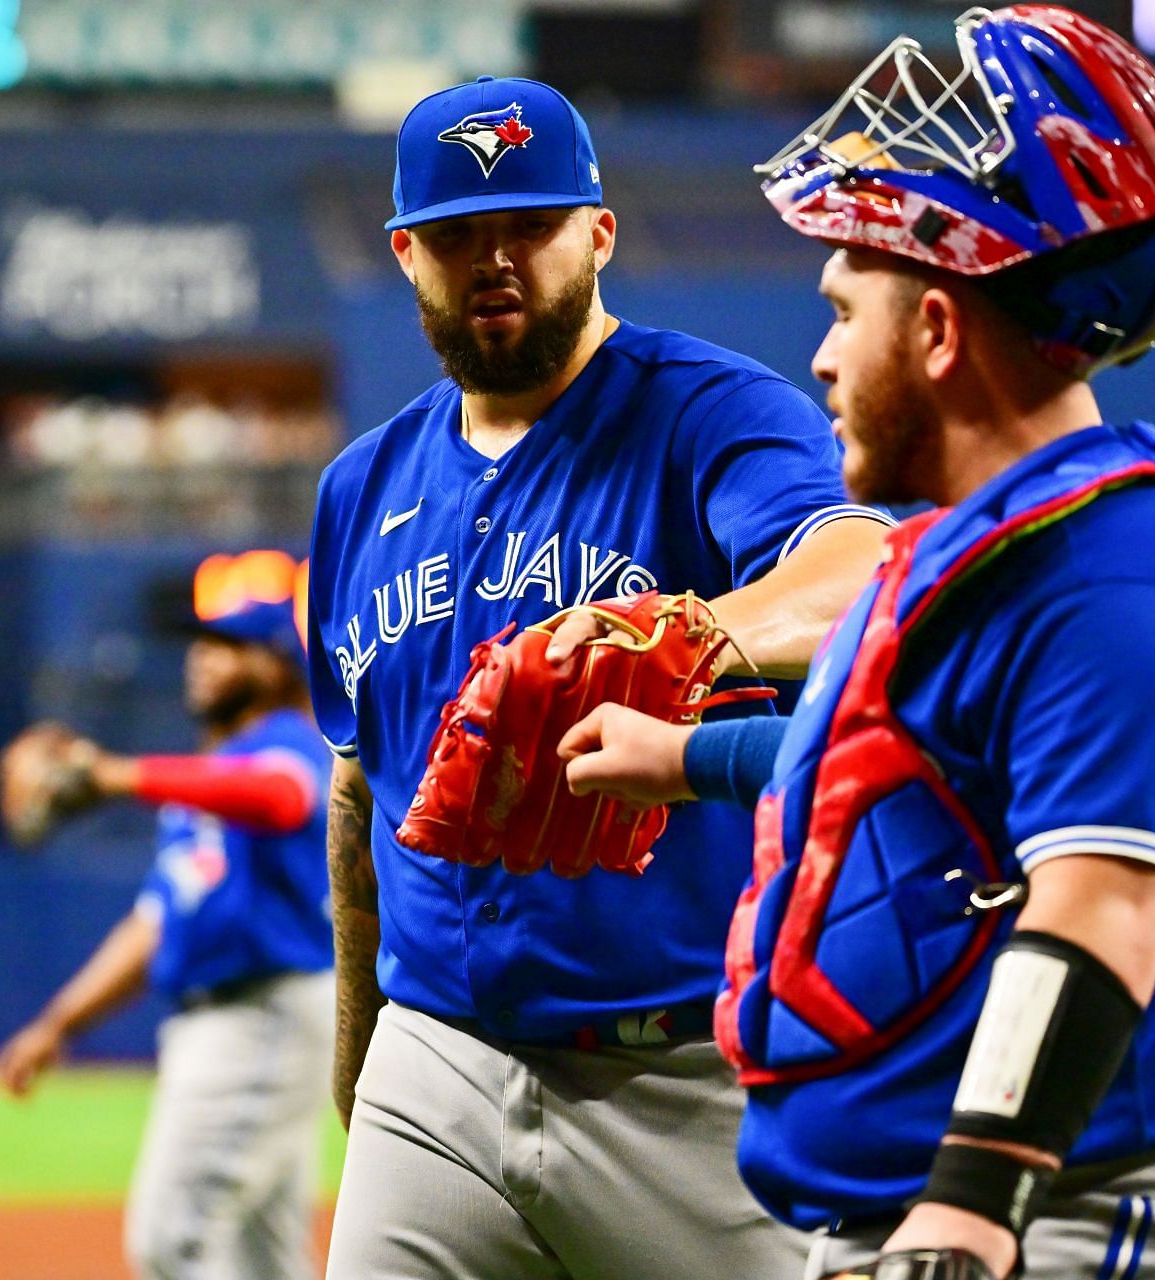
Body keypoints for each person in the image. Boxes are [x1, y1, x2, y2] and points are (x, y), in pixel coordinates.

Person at [557, 9, 1155, 1279]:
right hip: (966, 1219)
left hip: (1062, 1222)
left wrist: (969, 1202)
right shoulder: (970, 552)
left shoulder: (1126, 577)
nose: (825, 356)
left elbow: (1100, 907)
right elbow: (886, 765)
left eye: (847, 310)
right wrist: (687, 755)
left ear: (940, 332)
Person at [303, 76, 893, 1280]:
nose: (496, 260)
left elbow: (860, 572)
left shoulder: (712, 413)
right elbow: (358, 790)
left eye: (529, 224)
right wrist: (359, 1063)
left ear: (599, 232)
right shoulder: (359, 488)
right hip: (434, 1066)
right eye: (459, 237)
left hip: (679, 1080)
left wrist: (688, 633)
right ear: (407, 254)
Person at [0, 556, 335, 1280]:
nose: (201, 660)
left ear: (275, 666)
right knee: (265, 1260)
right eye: (199, 645)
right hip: (230, 1022)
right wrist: (58, 1025)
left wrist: (117, 773)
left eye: (226, 646)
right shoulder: (206, 780)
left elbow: (284, 799)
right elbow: (153, 926)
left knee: (172, 1240)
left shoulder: (293, 744)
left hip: (264, 1012)